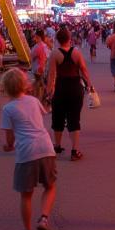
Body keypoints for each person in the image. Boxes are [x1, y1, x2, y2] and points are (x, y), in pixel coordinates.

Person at [1, 68, 57, 230]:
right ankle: (44, 219)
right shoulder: (33, 101)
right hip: (46, 147)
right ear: (24, 85)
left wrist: (9, 146)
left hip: (26, 152)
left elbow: (10, 137)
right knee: (50, 186)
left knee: (26, 195)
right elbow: (42, 114)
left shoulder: (8, 109)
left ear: (6, 88)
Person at [45, 26, 93, 160]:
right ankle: (75, 150)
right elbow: (84, 70)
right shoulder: (76, 53)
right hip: (75, 87)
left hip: (60, 88)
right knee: (74, 118)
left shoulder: (54, 54)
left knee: (58, 117)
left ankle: (57, 145)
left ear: (57, 40)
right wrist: (89, 85)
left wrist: (49, 91)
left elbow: (51, 75)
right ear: (70, 39)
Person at [30, 29, 50, 100]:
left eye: (35, 36)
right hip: (42, 67)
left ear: (38, 37)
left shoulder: (37, 46)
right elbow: (47, 57)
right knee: (40, 82)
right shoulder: (44, 46)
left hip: (38, 67)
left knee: (38, 82)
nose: (34, 37)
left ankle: (38, 97)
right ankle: (43, 96)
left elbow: (32, 56)